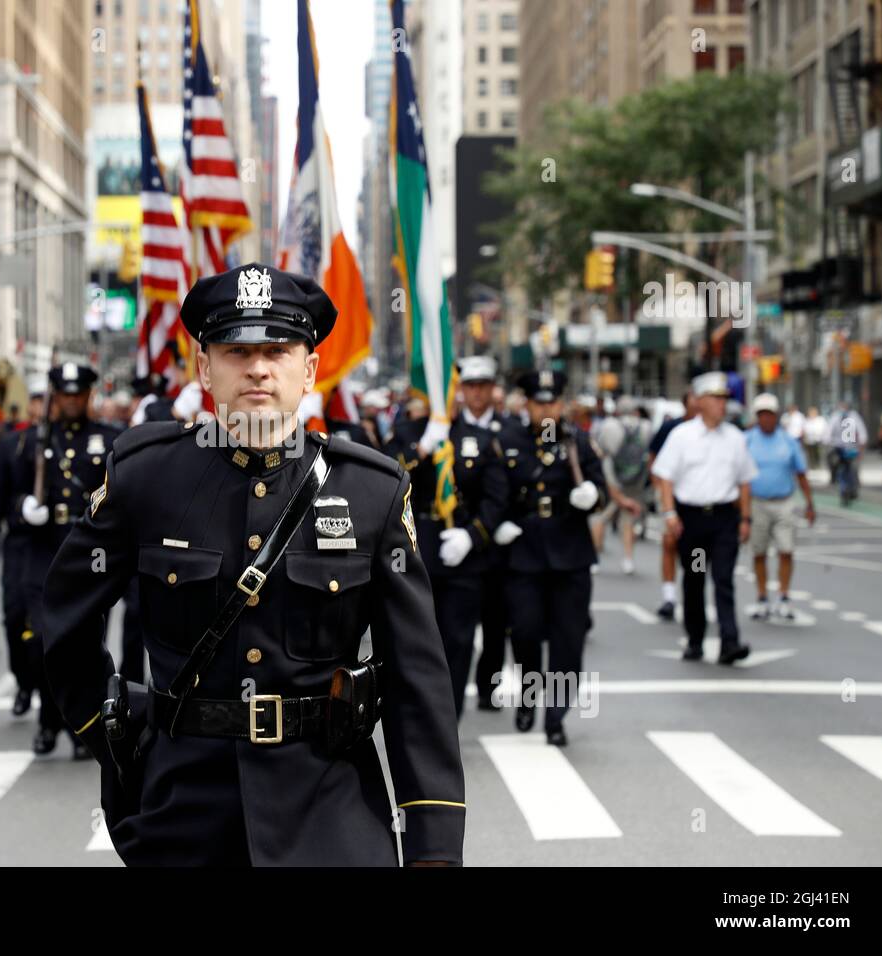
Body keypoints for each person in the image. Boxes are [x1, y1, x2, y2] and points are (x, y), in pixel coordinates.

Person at [39, 263, 465, 866]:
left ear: (310, 368)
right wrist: (111, 724)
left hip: (332, 809)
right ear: (204, 367)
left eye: (278, 350)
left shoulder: (371, 490)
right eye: (237, 351)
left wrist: (434, 844)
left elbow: (416, 678)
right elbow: (65, 614)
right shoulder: (147, 475)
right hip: (183, 810)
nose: (259, 368)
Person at [0, 362, 121, 754]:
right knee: (41, 639)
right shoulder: (29, 443)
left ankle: (81, 727)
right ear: (54, 397)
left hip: (88, 552)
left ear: (89, 395)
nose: (72, 401)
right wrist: (21, 507)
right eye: (65, 394)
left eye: (78, 394)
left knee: (86, 644)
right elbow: (5, 494)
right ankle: (47, 717)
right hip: (42, 549)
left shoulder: (110, 440)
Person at [385, 355, 508, 718]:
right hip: (414, 545)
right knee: (415, 637)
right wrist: (424, 446)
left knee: (458, 639)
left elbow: (495, 497)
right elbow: (388, 476)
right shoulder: (411, 433)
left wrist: (471, 536)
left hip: (461, 551)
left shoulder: (478, 438)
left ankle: (447, 716)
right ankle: (416, 709)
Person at [496, 370, 605, 747]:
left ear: (562, 404)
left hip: (570, 550)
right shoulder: (507, 440)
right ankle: (529, 694)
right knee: (525, 631)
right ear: (526, 403)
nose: (546, 409)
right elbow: (496, 494)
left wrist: (593, 495)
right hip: (524, 550)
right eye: (539, 401)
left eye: (552, 402)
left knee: (568, 639)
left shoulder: (578, 442)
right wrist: (498, 525)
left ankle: (556, 716)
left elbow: (600, 488)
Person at [651, 372, 757, 664]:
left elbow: (745, 481)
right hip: (694, 521)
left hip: (723, 519)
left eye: (724, 399)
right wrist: (670, 513)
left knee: (724, 579)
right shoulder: (682, 436)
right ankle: (695, 639)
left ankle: (729, 641)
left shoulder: (735, 438)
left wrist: (745, 519)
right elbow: (665, 477)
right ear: (700, 401)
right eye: (716, 399)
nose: (722, 405)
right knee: (696, 578)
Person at [745, 393, 815, 621]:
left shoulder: (788, 441)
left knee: (786, 550)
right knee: (759, 552)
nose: (766, 419)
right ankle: (762, 597)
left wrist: (809, 503)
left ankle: (784, 596)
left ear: (776, 416)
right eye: (762, 415)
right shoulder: (747, 440)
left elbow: (801, 473)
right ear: (757, 417)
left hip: (784, 501)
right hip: (756, 503)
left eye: (770, 414)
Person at [648, 390, 697, 620]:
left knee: (698, 550)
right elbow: (654, 456)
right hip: (672, 496)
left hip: (699, 502)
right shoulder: (673, 429)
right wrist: (658, 486)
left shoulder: (717, 433)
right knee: (670, 542)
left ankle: (697, 593)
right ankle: (669, 595)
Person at [592, 395, 653, 575]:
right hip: (635, 481)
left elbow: (601, 451)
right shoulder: (646, 426)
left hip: (611, 478)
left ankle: (595, 558)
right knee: (628, 520)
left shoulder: (609, 426)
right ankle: (628, 559)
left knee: (600, 518)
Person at [827, 397, 868, 505]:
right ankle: (840, 485)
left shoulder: (854, 416)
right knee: (836, 465)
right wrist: (828, 442)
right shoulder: (835, 417)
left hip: (851, 449)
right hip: (839, 448)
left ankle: (853, 488)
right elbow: (827, 433)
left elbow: (862, 434)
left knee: (852, 468)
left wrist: (860, 449)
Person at [802, 405, 827, 470]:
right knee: (810, 455)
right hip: (809, 441)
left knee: (818, 454)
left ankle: (818, 465)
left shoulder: (820, 420)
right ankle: (811, 466)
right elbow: (804, 430)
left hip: (818, 440)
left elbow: (824, 430)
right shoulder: (807, 420)